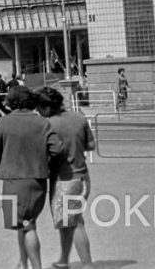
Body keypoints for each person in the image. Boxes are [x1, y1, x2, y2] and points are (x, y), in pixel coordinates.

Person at [0, 86, 64, 269]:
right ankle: (24, 263)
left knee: (26, 226)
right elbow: (57, 149)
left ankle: (35, 266)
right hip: (37, 180)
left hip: (13, 181)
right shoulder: (42, 123)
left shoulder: (3, 123)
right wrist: (45, 164)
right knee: (26, 223)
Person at [38, 86, 96, 269]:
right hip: (83, 176)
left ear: (47, 107)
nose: (38, 112)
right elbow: (91, 145)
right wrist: (75, 147)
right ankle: (64, 259)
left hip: (64, 179)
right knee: (68, 222)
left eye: (39, 108)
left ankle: (87, 265)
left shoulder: (48, 125)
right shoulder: (79, 117)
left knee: (76, 223)